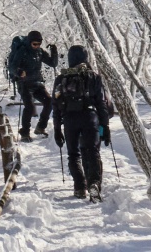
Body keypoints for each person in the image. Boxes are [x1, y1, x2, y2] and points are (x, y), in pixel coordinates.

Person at [53, 45, 113, 201]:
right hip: (89, 117)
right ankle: (94, 184)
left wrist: (57, 128)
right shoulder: (93, 77)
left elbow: (55, 105)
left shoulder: (61, 78)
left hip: (69, 119)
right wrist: (105, 125)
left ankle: (79, 187)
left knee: (73, 155)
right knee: (92, 151)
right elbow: (101, 103)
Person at [5, 31, 59, 142]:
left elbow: (53, 63)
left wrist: (54, 50)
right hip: (23, 83)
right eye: (34, 44)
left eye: (39, 44)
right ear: (29, 42)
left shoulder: (39, 52)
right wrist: (19, 72)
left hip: (36, 82)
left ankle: (40, 127)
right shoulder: (22, 51)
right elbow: (12, 66)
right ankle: (24, 132)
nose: (37, 46)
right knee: (29, 106)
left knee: (49, 101)